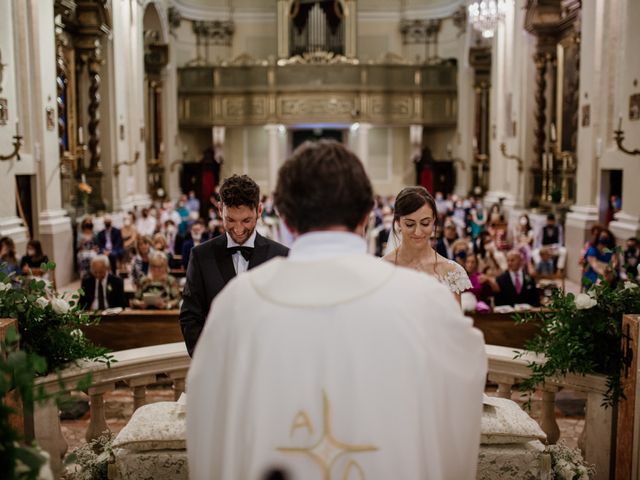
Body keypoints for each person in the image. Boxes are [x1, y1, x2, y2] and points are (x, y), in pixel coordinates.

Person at [187, 140, 486, 480]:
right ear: (365, 215)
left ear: (283, 217)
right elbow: (462, 392)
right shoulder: (425, 301)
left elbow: (209, 428)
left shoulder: (236, 304)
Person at [179, 174, 289, 356]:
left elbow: (288, 316)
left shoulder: (280, 256)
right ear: (220, 209)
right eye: (230, 220)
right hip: (217, 369)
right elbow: (190, 316)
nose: (238, 229)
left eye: (246, 220)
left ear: (259, 210)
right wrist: (208, 359)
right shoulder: (200, 256)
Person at [383, 186, 472, 306]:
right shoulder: (382, 268)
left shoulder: (451, 272)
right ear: (398, 222)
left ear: (434, 220)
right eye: (410, 224)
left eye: (425, 223)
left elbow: (453, 323)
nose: (418, 232)